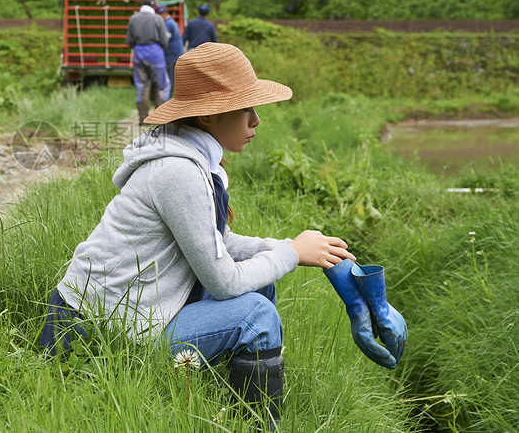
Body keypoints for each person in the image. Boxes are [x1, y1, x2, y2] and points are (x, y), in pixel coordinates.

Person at [40, 43, 359, 429]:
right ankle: (256, 425)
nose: (256, 121)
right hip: (97, 335)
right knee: (256, 314)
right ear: (208, 116)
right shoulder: (178, 172)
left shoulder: (186, 156)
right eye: (246, 109)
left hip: (132, 311)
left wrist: (286, 247)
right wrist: (290, 254)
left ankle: (223, 403)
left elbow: (217, 244)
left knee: (260, 290)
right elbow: (223, 283)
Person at [126, 0, 169, 124]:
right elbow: (164, 40)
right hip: (155, 52)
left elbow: (129, 41)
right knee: (161, 85)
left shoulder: (133, 19)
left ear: (141, 2)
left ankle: (143, 117)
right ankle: (160, 118)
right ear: (154, 4)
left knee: (141, 85)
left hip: (139, 51)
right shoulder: (157, 19)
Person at [156, 4, 184, 94]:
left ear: (163, 13)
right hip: (176, 53)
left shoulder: (167, 24)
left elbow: (165, 40)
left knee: (170, 77)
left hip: (172, 54)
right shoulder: (171, 22)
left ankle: (168, 97)